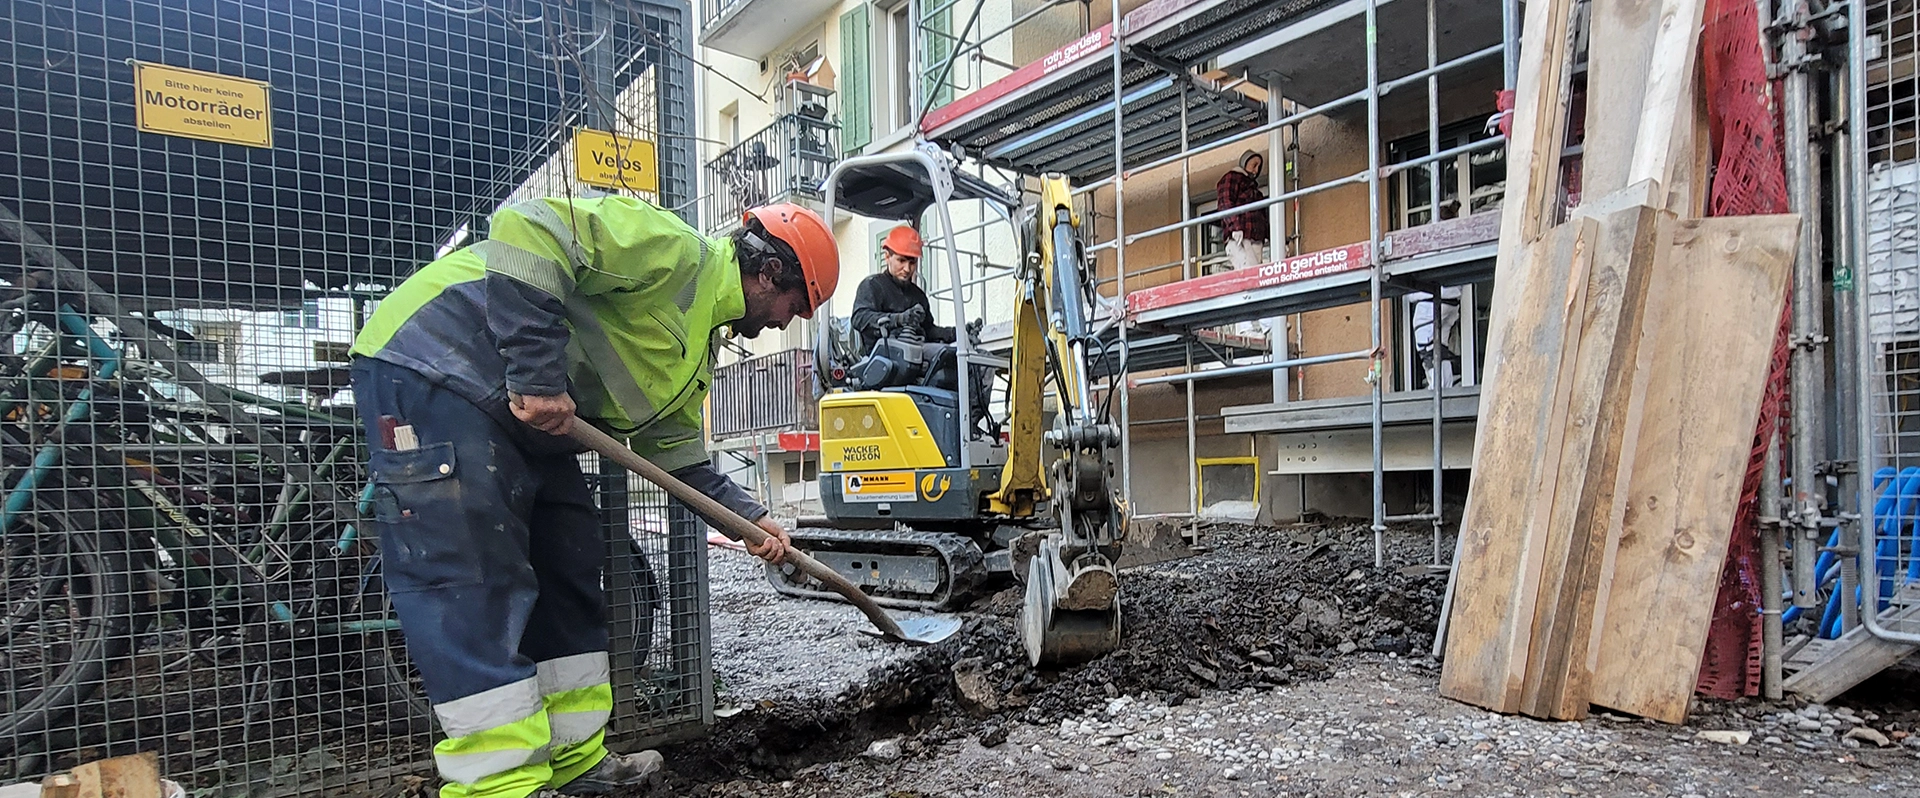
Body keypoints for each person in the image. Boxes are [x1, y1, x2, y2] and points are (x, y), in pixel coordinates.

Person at [348, 197, 839, 798]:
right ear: (769, 274)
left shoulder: (698, 346)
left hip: (527, 418)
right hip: (442, 362)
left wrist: (751, 519)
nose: (790, 321)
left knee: (572, 565)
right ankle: (500, 786)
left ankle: (575, 759)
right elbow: (528, 228)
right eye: (798, 305)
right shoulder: (676, 253)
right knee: (474, 578)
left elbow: (675, 452)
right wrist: (534, 374)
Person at [850, 225, 954, 346]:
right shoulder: (873, 286)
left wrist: (953, 333)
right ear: (887, 256)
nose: (907, 269)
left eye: (912, 262)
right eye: (901, 261)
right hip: (882, 357)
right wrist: (898, 319)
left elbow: (928, 330)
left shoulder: (918, 295)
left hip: (916, 354)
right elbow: (859, 318)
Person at [1216, 150, 1270, 271]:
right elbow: (1225, 203)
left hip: (1255, 238)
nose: (1256, 170)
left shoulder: (1255, 190)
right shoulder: (1232, 177)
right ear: (1244, 163)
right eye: (1254, 165)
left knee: (1255, 274)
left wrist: (1274, 238)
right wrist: (1235, 227)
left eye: (1258, 167)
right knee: (1248, 273)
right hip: (1240, 237)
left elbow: (1262, 216)